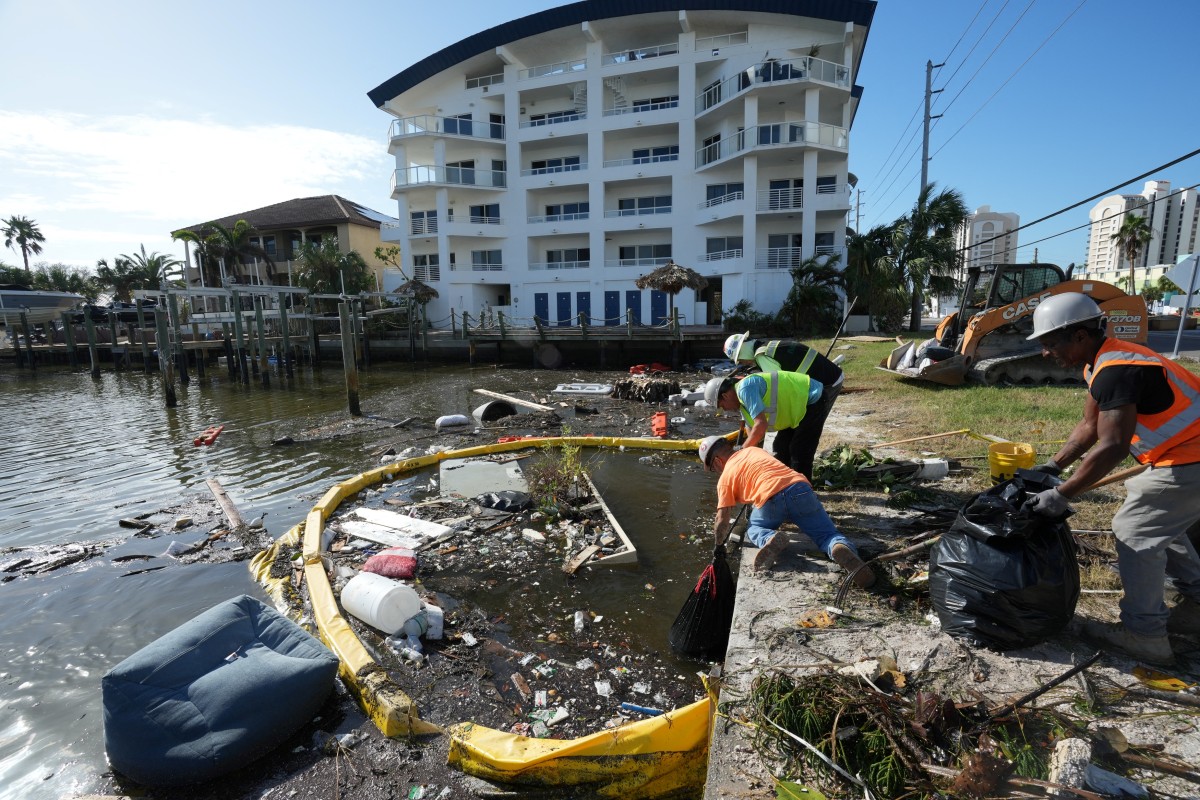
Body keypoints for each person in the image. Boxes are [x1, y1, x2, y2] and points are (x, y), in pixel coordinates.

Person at [1026, 292, 1200, 666]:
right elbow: (1091, 425)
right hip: (1181, 454)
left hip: (1190, 458)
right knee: (1163, 525)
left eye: (1050, 342)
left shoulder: (1118, 370)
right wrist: (1052, 467)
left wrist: (1062, 494)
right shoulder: (1102, 364)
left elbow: (1113, 445)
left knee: (1135, 531)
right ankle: (1198, 605)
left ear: (1079, 335)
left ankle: (1145, 635)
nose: (1045, 353)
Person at [697, 435, 875, 587]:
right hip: (798, 489)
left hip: (769, 501)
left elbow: (722, 519)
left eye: (713, 468)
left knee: (754, 529)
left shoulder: (725, 478)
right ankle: (839, 547)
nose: (716, 472)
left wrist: (719, 546)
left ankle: (770, 538)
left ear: (718, 461)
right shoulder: (753, 451)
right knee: (826, 534)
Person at [724, 331, 845, 467]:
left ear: (742, 351)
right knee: (785, 443)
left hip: (826, 383)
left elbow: (780, 388)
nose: (744, 363)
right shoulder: (767, 346)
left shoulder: (762, 356)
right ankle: (793, 470)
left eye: (740, 360)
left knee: (804, 437)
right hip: (820, 379)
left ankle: (801, 475)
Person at [703, 369, 825, 477]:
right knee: (780, 448)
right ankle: (785, 487)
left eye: (721, 406)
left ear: (725, 396)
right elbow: (752, 430)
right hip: (796, 409)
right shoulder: (742, 406)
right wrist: (749, 458)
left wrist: (741, 451)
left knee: (799, 450)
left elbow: (761, 425)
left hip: (810, 397)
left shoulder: (745, 389)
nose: (725, 410)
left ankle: (802, 493)